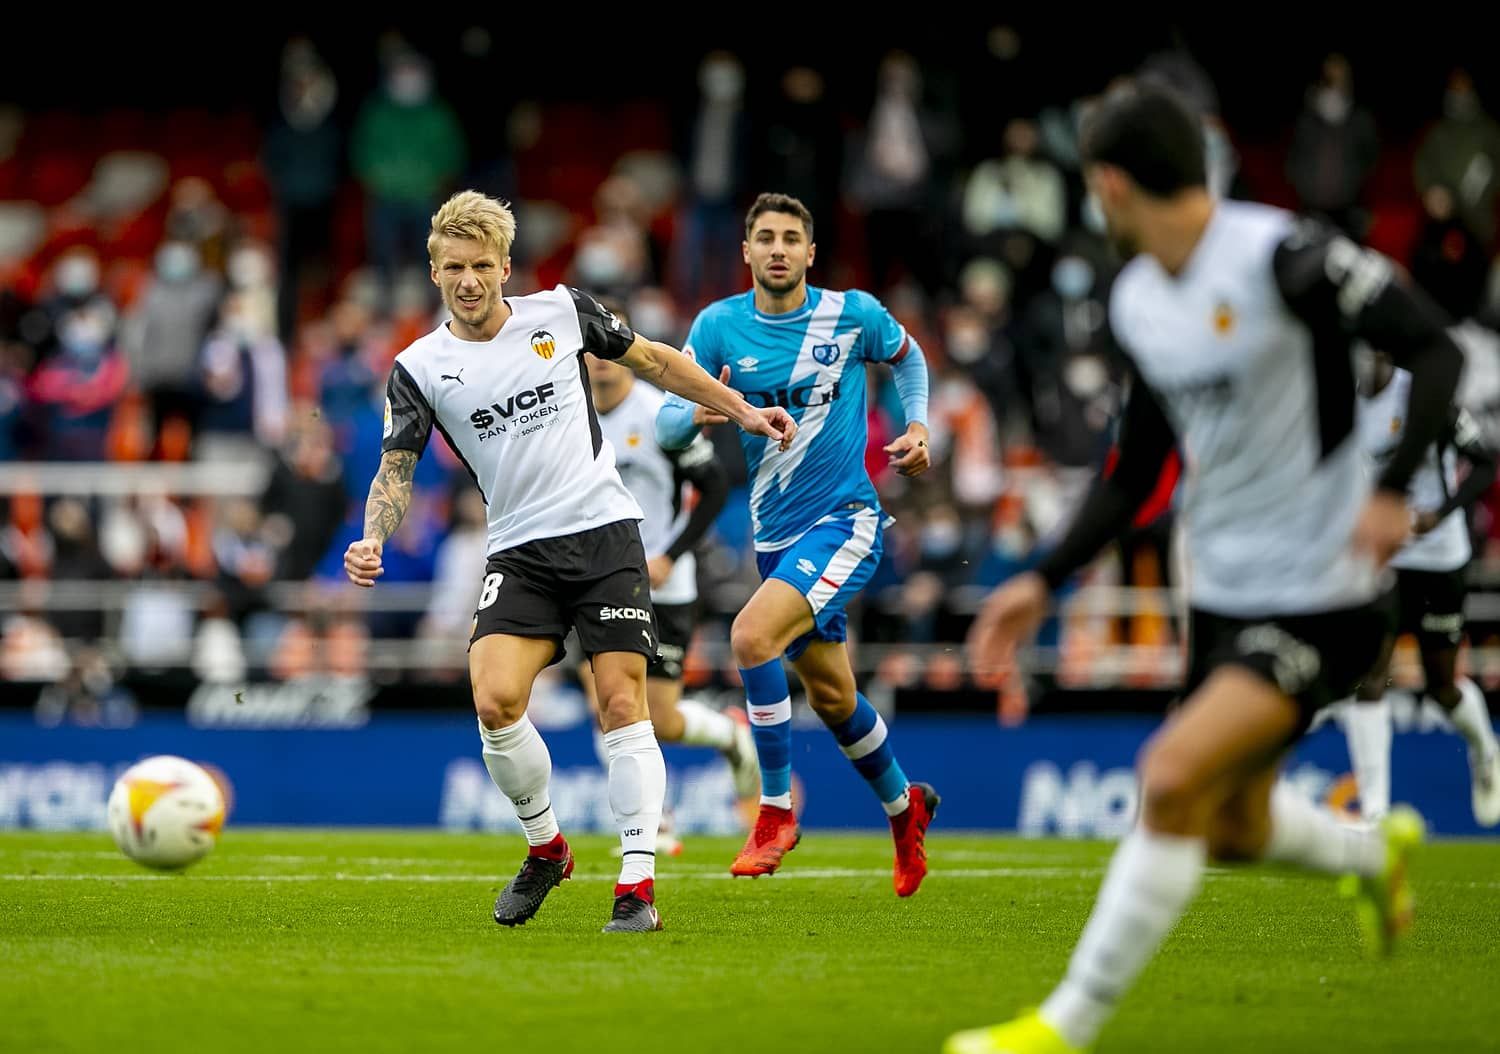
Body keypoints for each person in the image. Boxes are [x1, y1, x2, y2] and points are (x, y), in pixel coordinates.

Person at [947, 85, 1463, 1054]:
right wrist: (1040, 578)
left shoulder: (1285, 257)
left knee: (1170, 776)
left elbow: (1432, 348)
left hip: (1328, 593)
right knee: (1228, 827)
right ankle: (1371, 853)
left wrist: (1392, 489)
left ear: (1108, 184)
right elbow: (1134, 470)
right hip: (1219, 594)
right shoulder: (1138, 298)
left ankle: (1064, 1025)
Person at [344, 190, 795, 934]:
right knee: (493, 701)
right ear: (434, 272)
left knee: (624, 703)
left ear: (505, 266)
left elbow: (653, 360)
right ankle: (547, 848)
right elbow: (397, 467)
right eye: (453, 266)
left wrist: (744, 411)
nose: (468, 280)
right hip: (518, 551)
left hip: (606, 534)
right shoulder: (419, 367)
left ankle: (637, 886)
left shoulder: (561, 312)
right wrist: (374, 537)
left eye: (482, 265)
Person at [656, 192, 939, 896]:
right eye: (765, 238)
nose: (778, 248)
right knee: (836, 699)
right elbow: (665, 428)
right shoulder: (719, 327)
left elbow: (909, 360)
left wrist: (920, 428)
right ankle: (907, 810)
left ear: (810, 253)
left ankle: (774, 812)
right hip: (775, 539)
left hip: (847, 520)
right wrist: (719, 409)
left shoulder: (853, 315)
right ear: (746, 252)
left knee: (750, 636)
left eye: (791, 238)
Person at [578, 314, 760, 854]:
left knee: (660, 717)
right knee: (607, 701)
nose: (600, 358)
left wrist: (669, 554)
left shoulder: (661, 416)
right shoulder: (572, 416)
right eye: (591, 349)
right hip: (597, 583)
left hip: (665, 583)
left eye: (609, 348)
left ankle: (731, 735)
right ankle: (652, 821)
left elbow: (716, 485)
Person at [1332, 350, 1500, 826]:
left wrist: (1439, 514)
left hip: (1440, 556)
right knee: (1371, 676)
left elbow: (1483, 463)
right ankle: (1375, 816)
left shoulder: (1423, 394)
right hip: (1384, 559)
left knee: (1440, 687)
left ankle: (1485, 750)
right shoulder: (1336, 401)